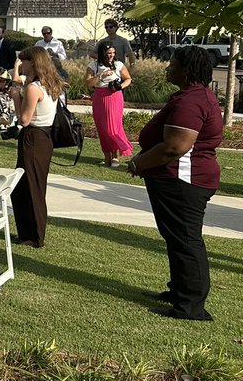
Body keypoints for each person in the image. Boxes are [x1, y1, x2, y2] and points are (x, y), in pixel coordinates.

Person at [125, 46, 223, 321]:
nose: (168, 68)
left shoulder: (192, 101)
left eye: (172, 64)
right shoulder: (193, 96)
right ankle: (178, 291)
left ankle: (190, 306)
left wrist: (138, 163)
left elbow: (174, 147)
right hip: (176, 178)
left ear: (186, 70)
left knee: (186, 240)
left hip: (183, 180)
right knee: (177, 238)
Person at [9, 46, 64, 248]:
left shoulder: (34, 88)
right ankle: (28, 233)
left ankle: (35, 235)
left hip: (33, 136)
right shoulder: (50, 84)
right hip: (44, 138)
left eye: (23, 61)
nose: (21, 64)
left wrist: (16, 97)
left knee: (31, 187)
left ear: (33, 62)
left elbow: (24, 119)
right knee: (26, 187)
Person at [86, 41, 133, 167]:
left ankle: (115, 156)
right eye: (108, 53)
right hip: (99, 97)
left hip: (114, 97)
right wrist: (101, 75)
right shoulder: (93, 65)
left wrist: (120, 86)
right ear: (102, 53)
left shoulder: (118, 65)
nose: (111, 55)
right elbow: (89, 83)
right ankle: (107, 156)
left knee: (112, 128)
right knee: (102, 129)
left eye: (113, 53)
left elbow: (128, 79)